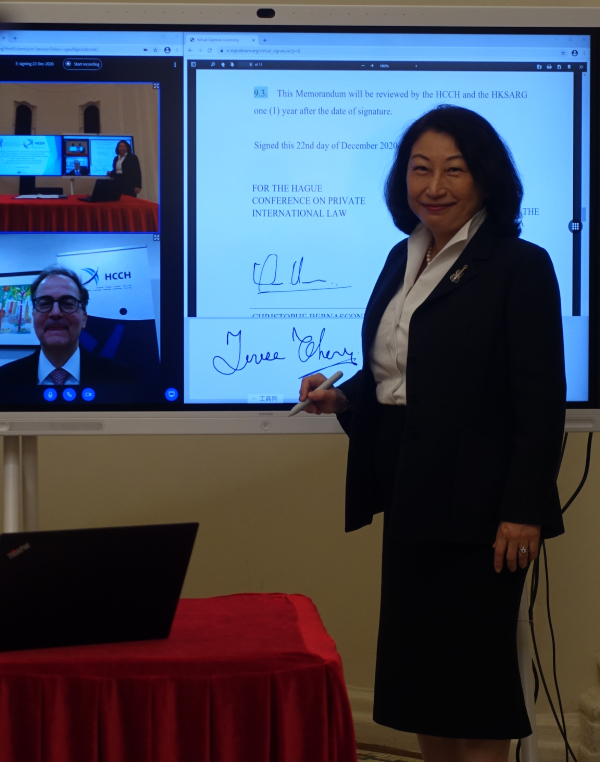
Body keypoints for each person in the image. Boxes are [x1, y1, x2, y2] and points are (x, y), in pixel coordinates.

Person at [298, 105, 566, 762]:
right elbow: (397, 371)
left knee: (474, 691)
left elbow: (540, 402)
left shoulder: (519, 264)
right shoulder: (403, 256)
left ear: (486, 178)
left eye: (454, 170)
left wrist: (524, 510)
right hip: (410, 493)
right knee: (421, 683)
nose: (434, 186)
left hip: (482, 511)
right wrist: (343, 395)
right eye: (421, 169)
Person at [0, 266, 135, 385]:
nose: (55, 313)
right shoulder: (4, 380)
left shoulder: (121, 378)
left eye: (68, 303)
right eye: (44, 303)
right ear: (34, 315)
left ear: (84, 319)